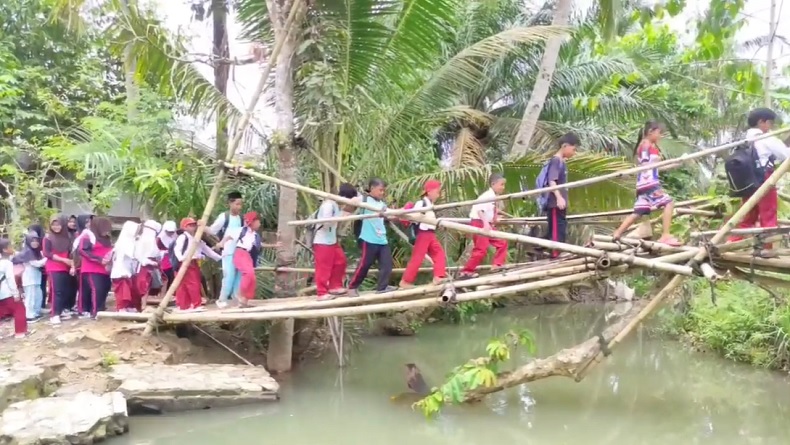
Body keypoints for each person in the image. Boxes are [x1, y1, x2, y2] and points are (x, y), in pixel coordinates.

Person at [727, 108, 790, 254]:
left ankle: (732, 243)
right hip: (764, 178)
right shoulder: (767, 138)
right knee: (768, 213)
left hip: (747, 180)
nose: (771, 127)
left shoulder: (744, 138)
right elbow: (785, 155)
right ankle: (767, 248)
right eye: (770, 123)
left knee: (748, 214)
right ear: (761, 122)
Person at [611, 121, 681, 246]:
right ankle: (665, 235)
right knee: (669, 203)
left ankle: (617, 233)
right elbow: (646, 164)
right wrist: (658, 161)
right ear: (650, 132)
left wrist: (675, 164)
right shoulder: (645, 145)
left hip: (643, 184)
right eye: (659, 133)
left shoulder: (648, 145)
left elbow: (655, 167)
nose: (660, 136)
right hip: (649, 183)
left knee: (639, 212)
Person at [348, 178, 396, 296]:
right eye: (380, 190)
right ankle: (352, 287)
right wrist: (353, 201)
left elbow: (390, 216)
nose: (382, 193)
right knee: (365, 264)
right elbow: (351, 202)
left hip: (382, 240)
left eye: (383, 190)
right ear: (372, 188)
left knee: (387, 264)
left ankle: (382, 287)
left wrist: (401, 213)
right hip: (368, 238)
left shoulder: (382, 204)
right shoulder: (364, 199)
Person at [311, 183, 359, 301]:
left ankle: (335, 286)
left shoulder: (336, 205)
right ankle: (321, 292)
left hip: (332, 241)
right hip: (322, 241)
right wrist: (340, 217)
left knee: (340, 262)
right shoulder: (328, 205)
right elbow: (326, 223)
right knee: (324, 268)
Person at [399, 180, 447, 288]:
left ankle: (438, 276)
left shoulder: (430, 205)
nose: (438, 195)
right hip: (423, 233)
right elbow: (413, 216)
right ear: (429, 192)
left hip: (430, 234)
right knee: (418, 257)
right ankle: (405, 281)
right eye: (437, 192)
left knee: (439, 253)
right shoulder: (422, 203)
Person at [459, 173, 508, 278]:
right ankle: (466, 271)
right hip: (480, 223)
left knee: (502, 242)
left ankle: (497, 265)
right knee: (481, 249)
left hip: (486, 223)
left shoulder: (493, 197)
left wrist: (494, 218)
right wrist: (485, 224)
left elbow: (489, 211)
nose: (503, 187)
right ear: (493, 184)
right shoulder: (487, 196)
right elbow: (480, 210)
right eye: (501, 184)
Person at [542, 133, 579, 258]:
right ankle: (555, 253)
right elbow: (552, 181)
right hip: (555, 203)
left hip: (560, 204)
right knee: (556, 230)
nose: (574, 153)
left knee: (561, 228)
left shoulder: (561, 161)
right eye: (573, 149)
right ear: (564, 146)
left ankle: (557, 251)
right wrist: (558, 198)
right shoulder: (556, 160)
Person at [173, 218, 222, 311]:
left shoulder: (197, 239)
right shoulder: (183, 237)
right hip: (186, 262)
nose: (193, 227)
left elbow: (207, 251)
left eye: (193, 225)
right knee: (191, 284)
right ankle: (193, 304)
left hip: (193, 262)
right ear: (184, 227)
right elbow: (177, 249)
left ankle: (185, 306)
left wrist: (220, 258)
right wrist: (182, 259)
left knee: (187, 284)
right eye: (190, 225)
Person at [208, 192, 244, 307]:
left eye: (240, 204)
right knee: (228, 276)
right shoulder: (224, 217)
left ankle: (236, 298)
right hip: (228, 251)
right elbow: (212, 230)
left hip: (239, 251)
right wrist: (203, 227)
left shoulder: (241, 218)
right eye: (237, 204)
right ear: (230, 203)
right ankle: (222, 299)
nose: (239, 207)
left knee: (238, 277)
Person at [77, 217, 113, 319]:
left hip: (105, 270)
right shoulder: (88, 237)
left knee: (104, 289)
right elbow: (83, 251)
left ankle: (100, 310)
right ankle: (95, 312)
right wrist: (99, 259)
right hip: (92, 269)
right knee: (97, 289)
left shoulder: (107, 239)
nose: (107, 231)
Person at [43, 214, 76, 325]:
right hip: (54, 267)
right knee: (57, 291)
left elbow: (71, 253)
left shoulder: (67, 238)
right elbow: (47, 253)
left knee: (64, 290)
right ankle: (55, 315)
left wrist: (72, 266)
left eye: (58, 224)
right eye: (53, 225)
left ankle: (60, 311)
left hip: (65, 267)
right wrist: (63, 260)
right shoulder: (48, 238)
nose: (56, 227)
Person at [13, 232, 47, 322]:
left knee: (37, 296)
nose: (35, 243)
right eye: (32, 241)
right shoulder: (27, 252)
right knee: (30, 298)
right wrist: (47, 258)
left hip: (35, 279)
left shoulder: (35, 251)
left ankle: (36, 313)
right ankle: (29, 316)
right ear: (28, 241)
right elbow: (36, 264)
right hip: (29, 279)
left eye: (36, 241)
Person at [0, 239, 29, 338]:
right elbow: (10, 279)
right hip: (7, 292)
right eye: (10, 246)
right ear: (5, 249)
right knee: (19, 309)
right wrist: (16, 294)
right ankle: (20, 332)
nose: (12, 248)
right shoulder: (6, 263)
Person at [111, 222, 141, 313]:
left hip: (128, 271)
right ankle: (121, 307)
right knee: (123, 291)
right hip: (121, 271)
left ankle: (128, 306)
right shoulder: (124, 242)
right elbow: (130, 256)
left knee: (130, 290)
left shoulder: (131, 241)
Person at [133, 220, 163, 305]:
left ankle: (144, 303)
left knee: (150, 284)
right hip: (143, 266)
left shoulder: (151, 241)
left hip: (152, 265)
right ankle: (142, 304)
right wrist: (147, 261)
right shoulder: (142, 240)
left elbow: (156, 253)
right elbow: (138, 254)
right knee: (144, 285)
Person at [27, 223, 47, 308]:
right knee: (38, 287)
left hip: (42, 267)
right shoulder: (32, 242)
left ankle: (40, 305)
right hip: (37, 266)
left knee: (41, 286)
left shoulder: (42, 241)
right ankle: (39, 306)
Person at [156, 220, 178, 292]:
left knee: (173, 277)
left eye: (172, 232)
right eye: (169, 232)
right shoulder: (159, 239)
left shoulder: (175, 236)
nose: (170, 233)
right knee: (166, 277)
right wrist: (164, 252)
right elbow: (156, 251)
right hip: (163, 262)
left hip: (173, 260)